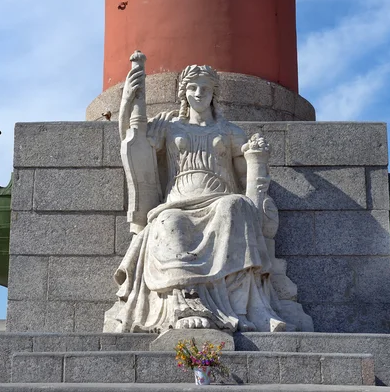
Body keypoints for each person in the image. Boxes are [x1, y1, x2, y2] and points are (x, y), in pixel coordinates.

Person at [104, 62, 311, 333]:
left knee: (235, 205)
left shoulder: (230, 132)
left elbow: (249, 180)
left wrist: (256, 156)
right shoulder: (168, 125)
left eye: (205, 88)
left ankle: (252, 307)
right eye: (192, 87)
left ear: (214, 94)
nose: (198, 93)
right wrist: (129, 102)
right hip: (177, 201)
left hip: (219, 198)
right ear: (183, 93)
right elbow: (134, 143)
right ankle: (186, 304)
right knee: (169, 221)